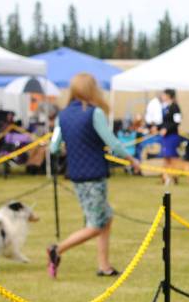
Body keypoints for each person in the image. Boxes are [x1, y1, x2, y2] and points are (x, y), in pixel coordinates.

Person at [47, 73, 140, 279]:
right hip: (94, 175)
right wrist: (132, 160)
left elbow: (54, 147)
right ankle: (57, 250)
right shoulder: (94, 113)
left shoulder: (62, 116)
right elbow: (113, 143)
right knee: (96, 224)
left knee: (106, 218)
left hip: (77, 174)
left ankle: (104, 266)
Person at [157, 89, 183, 185]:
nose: (162, 96)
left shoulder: (175, 107)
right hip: (165, 136)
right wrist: (157, 127)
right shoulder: (165, 107)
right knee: (166, 157)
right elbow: (165, 122)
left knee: (172, 158)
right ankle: (166, 177)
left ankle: (175, 177)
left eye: (164, 94)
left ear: (169, 95)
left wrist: (166, 129)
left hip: (172, 135)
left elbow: (177, 122)